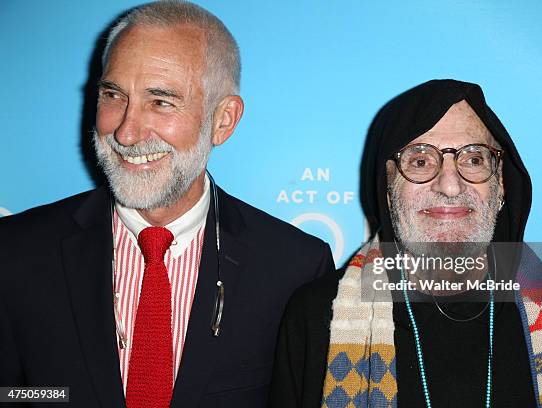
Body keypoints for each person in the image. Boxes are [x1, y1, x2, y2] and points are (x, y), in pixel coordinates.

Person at [0, 2, 334, 407]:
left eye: (160, 101)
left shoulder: (294, 267)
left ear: (223, 120)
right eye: (113, 95)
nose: (126, 131)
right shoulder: (16, 251)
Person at [270, 79, 542, 407]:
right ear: (386, 190)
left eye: (473, 159)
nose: (449, 185)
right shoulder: (316, 316)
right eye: (420, 161)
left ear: (502, 184)